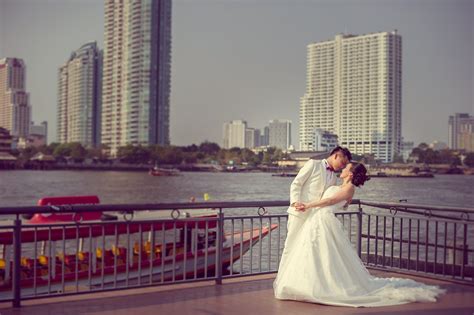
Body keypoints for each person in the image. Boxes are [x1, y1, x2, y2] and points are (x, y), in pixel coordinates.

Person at [273, 162, 445, 307]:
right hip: (317, 219)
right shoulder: (340, 185)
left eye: (346, 168)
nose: (342, 169)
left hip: (323, 220)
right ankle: (304, 284)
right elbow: (337, 202)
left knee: (323, 255)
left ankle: (323, 287)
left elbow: (329, 201)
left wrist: (307, 205)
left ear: (351, 173)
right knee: (314, 254)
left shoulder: (349, 188)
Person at [281, 146, 352, 265]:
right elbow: (296, 184)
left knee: (306, 250)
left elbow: (330, 199)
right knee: (291, 245)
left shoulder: (334, 177)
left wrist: (345, 203)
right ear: (336, 155)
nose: (343, 166)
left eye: (345, 165)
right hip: (299, 213)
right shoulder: (313, 164)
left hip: (315, 218)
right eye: (342, 162)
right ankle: (283, 276)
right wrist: (294, 203)